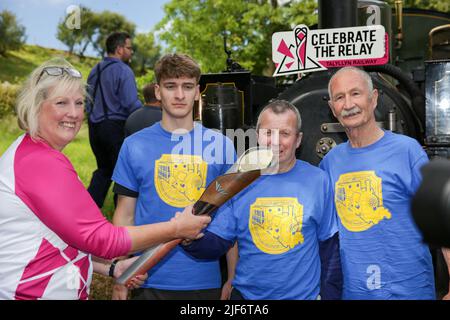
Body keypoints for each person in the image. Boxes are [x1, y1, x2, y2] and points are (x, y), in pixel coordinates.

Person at [0, 59, 211, 300]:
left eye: (79, 103)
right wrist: (177, 228)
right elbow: (102, 239)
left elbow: (67, 237)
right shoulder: (39, 162)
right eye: (61, 103)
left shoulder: (32, 152)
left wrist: (111, 267)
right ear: (35, 106)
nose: (73, 113)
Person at [183, 100, 342, 300]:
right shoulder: (239, 181)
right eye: (268, 133)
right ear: (257, 135)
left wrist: (330, 296)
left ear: (298, 139)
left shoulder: (318, 181)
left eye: (285, 133)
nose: (275, 141)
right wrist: (189, 238)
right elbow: (219, 241)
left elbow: (330, 248)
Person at [111, 53, 236, 300]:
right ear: (158, 91)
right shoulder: (134, 146)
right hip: (146, 277)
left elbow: (231, 220)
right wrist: (121, 275)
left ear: (198, 91)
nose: (179, 95)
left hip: (204, 280)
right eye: (171, 86)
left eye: (187, 87)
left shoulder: (222, 146)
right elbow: (124, 215)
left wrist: (232, 278)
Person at [319, 66, 450, 299]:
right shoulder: (330, 163)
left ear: (374, 98)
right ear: (332, 108)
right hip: (356, 292)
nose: (348, 104)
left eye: (356, 93)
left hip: (409, 290)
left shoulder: (407, 151)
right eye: (340, 97)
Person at [86, 31, 142, 208]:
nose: (131, 52)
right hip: (114, 128)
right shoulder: (123, 70)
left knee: (104, 170)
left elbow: (87, 102)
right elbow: (131, 103)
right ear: (119, 49)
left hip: (94, 127)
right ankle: (123, 219)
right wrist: (147, 116)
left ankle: (88, 212)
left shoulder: (94, 70)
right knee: (124, 174)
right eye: (129, 48)